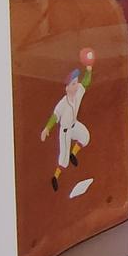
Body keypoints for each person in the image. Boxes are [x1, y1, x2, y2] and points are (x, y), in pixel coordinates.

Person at [41, 51, 93, 191]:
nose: (76, 85)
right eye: (73, 84)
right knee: (63, 159)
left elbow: (86, 83)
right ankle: (55, 177)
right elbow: (55, 116)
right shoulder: (63, 103)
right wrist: (47, 128)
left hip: (74, 126)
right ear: (67, 88)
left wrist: (89, 69)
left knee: (85, 136)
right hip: (65, 131)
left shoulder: (78, 92)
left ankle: (73, 154)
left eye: (76, 82)